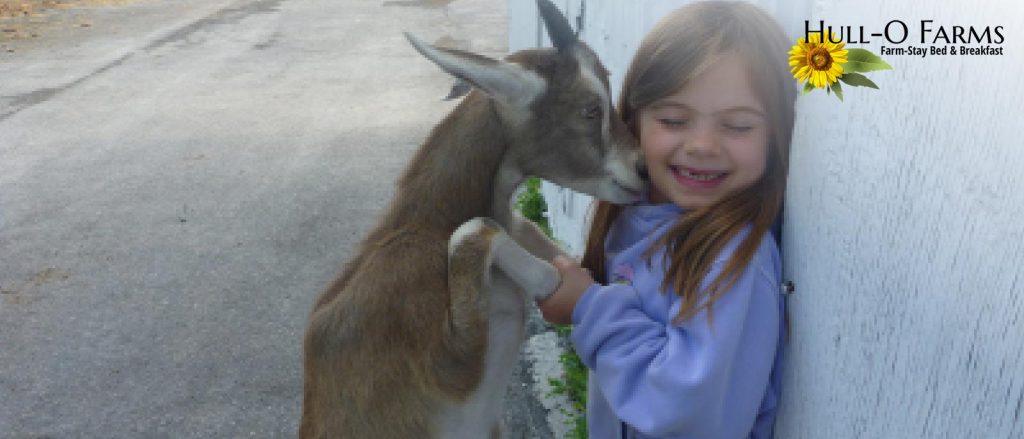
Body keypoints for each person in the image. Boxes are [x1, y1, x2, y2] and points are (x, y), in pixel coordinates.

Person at [536, 2, 797, 438]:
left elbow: (686, 411)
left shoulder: (735, 263)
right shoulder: (639, 218)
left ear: (776, 136)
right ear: (633, 122)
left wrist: (589, 308)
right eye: (674, 120)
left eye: (737, 126)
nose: (702, 145)